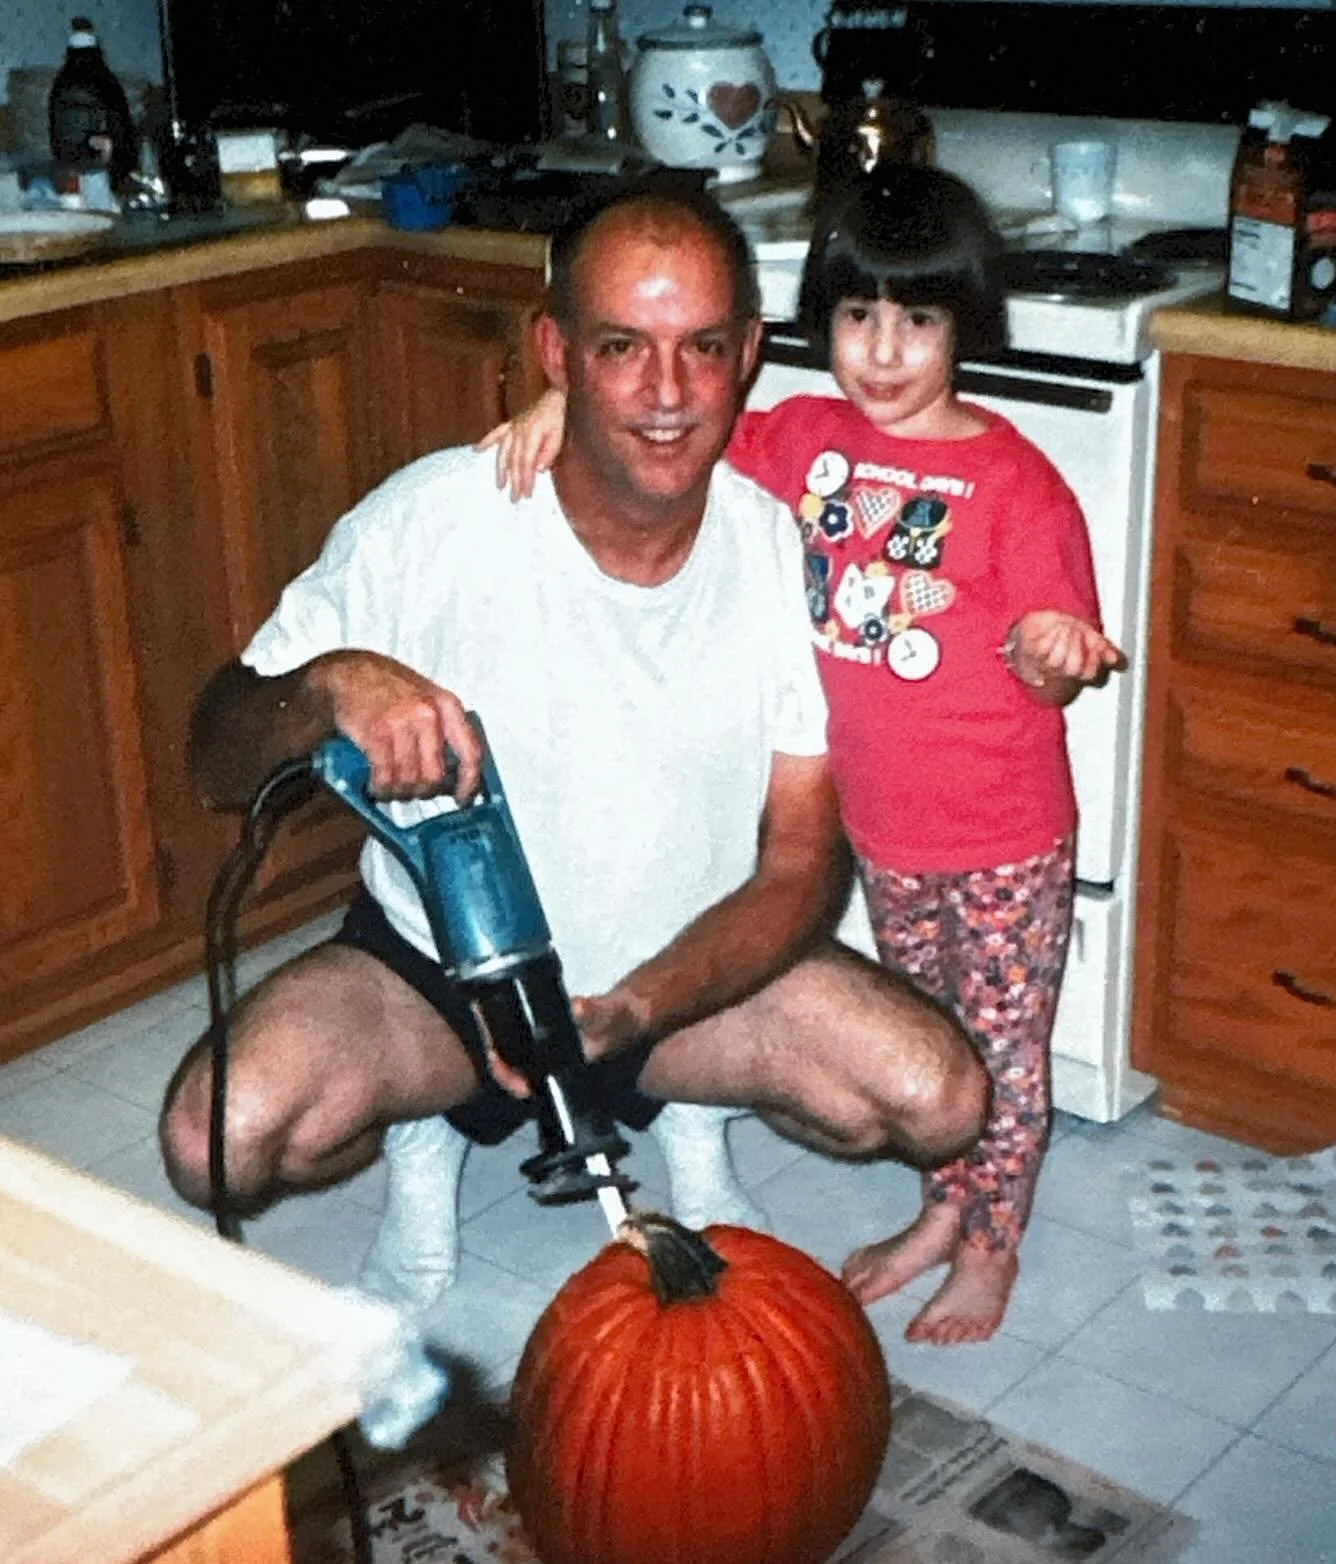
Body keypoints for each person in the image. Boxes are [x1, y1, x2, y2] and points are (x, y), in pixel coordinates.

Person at [158, 184, 992, 1316]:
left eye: (702, 348)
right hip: (443, 980)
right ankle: (430, 1129)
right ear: (554, 351)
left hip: (676, 982)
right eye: (621, 348)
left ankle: (690, 1115)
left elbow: (804, 864)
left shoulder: (776, 544)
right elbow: (217, 759)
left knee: (936, 1097)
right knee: (219, 1142)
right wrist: (328, 688)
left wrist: (645, 1006)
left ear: (749, 356)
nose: (666, 393)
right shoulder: (433, 520)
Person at [482, 165, 1125, 1344]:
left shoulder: (1017, 482)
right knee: (934, 1036)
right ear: (820, 323)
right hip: (877, 826)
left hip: (998, 833)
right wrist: (553, 409)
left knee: (1005, 1052)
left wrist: (1053, 647)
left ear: (962, 327)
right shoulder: (807, 439)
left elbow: (1056, 661)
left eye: (917, 320)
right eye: (857, 316)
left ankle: (989, 1246)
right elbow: (673, 432)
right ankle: (945, 1207)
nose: (882, 351)